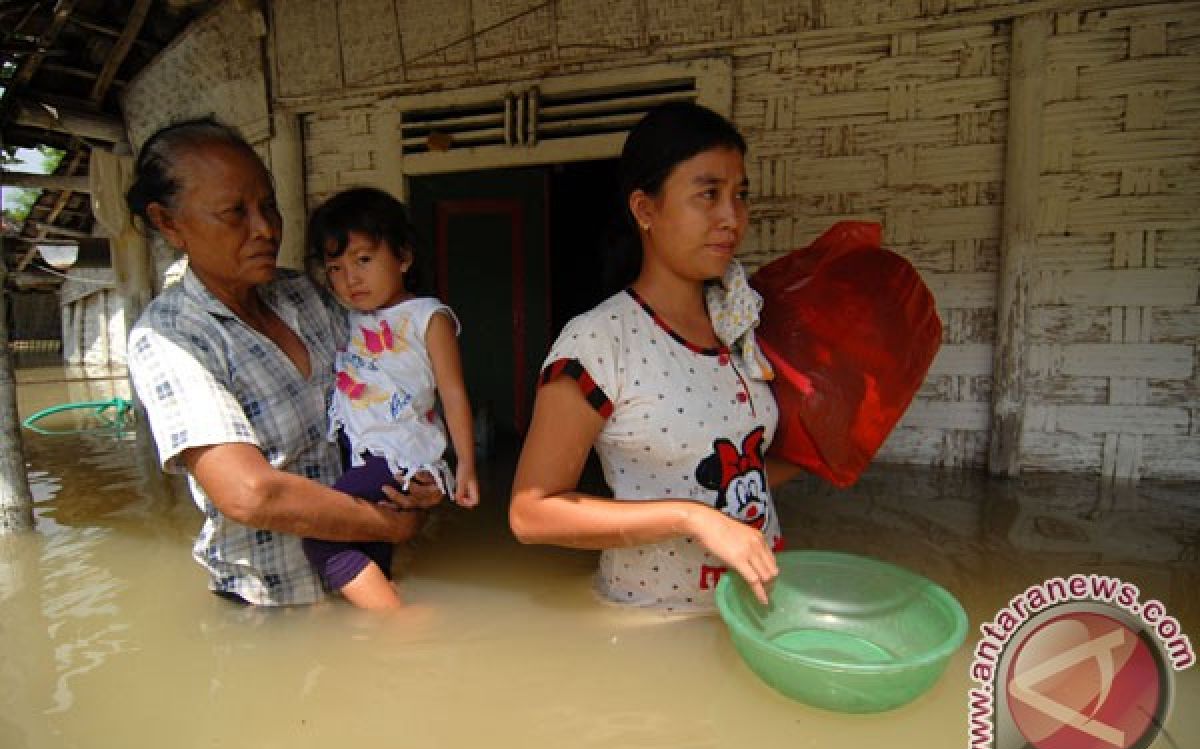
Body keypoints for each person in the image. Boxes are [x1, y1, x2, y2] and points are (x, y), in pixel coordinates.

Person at [125, 118, 442, 607]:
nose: (266, 228)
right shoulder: (171, 335)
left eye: (268, 204)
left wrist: (425, 481)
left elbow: (400, 389)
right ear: (169, 223)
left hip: (370, 580)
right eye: (235, 212)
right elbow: (249, 494)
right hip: (272, 606)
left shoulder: (310, 295)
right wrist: (390, 522)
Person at [509, 102, 804, 611]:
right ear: (646, 210)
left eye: (740, 196)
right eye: (707, 194)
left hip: (751, 616)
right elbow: (531, 514)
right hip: (650, 628)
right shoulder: (599, 343)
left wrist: (830, 452)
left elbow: (740, 468)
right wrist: (691, 518)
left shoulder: (741, 325)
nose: (731, 218)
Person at [302, 188, 478, 609]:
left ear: (403, 257)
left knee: (320, 535)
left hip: (397, 454)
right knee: (369, 550)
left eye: (363, 259)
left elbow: (453, 394)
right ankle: (380, 640)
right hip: (359, 450)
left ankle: (400, 622)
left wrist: (466, 465)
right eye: (336, 267)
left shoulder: (427, 317)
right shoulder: (349, 316)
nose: (351, 278)